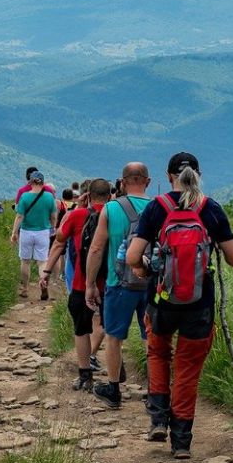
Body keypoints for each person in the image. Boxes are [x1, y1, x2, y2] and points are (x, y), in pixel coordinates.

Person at [125, 151, 233, 459]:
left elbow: (132, 256)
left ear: (168, 177)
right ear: (199, 175)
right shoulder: (210, 209)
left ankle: (158, 420)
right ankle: (181, 442)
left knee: (158, 352)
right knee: (188, 369)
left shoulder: (157, 208)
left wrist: (141, 269)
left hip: (160, 300)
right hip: (199, 304)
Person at [85, 162, 153, 410]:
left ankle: (113, 390)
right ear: (147, 181)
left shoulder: (111, 209)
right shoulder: (160, 208)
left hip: (118, 283)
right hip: (152, 284)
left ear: (122, 183)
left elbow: (96, 248)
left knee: (114, 337)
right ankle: (155, 393)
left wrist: (90, 284)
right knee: (152, 338)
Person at [42, 178, 111, 390]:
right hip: (110, 284)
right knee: (107, 327)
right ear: (109, 196)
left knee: (81, 329)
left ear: (88, 195)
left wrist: (78, 207)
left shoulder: (79, 215)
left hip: (82, 284)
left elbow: (60, 236)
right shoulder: (115, 215)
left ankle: (84, 375)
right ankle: (115, 376)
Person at [10, 172, 57, 299]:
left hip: (26, 231)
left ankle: (24, 289)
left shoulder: (24, 197)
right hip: (43, 232)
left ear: (30, 182)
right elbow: (53, 216)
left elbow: (19, 216)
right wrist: (53, 228)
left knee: (25, 261)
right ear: (43, 182)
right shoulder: (49, 197)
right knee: (42, 262)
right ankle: (43, 285)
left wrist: (14, 232)